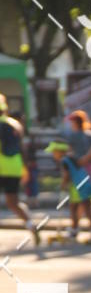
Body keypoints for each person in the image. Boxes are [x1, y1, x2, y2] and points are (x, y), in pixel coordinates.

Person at [0, 95, 39, 246]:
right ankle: (30, 224)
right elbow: (22, 148)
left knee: (12, 202)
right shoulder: (16, 125)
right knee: (13, 202)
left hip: (1, 166)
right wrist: (25, 169)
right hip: (15, 167)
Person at [44, 140, 91, 243]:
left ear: (60, 151)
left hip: (78, 187)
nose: (53, 154)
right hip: (86, 183)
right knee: (85, 208)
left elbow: (67, 175)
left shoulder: (64, 160)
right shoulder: (73, 157)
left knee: (74, 208)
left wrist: (63, 185)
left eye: (54, 152)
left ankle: (75, 230)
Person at [63, 110, 91, 230]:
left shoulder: (73, 136)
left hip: (78, 171)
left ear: (75, 122)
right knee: (89, 197)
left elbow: (69, 153)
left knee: (78, 201)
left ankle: (77, 227)